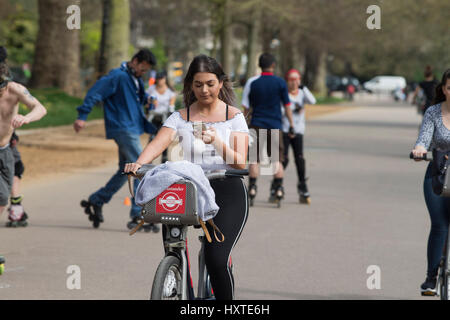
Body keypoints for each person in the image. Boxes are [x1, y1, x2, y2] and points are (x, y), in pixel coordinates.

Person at [124, 54, 249, 300]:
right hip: (187, 189)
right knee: (174, 245)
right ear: (190, 85)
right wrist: (138, 164)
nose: (204, 90)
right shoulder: (180, 116)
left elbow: (240, 161)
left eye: (210, 84)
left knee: (216, 258)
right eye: (198, 84)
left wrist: (217, 141)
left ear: (221, 83)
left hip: (227, 188)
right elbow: (157, 143)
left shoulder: (234, 116)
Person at [74, 49, 159, 231]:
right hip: (122, 127)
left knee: (125, 170)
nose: (142, 73)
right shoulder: (118, 76)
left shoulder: (135, 79)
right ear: (135, 61)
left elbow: (137, 98)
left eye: (145, 71)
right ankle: (138, 214)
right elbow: (95, 92)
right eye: (142, 69)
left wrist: (147, 101)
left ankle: (97, 200)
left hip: (131, 127)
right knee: (140, 167)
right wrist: (82, 115)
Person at [411, 68, 450, 295]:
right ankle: (432, 278)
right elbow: (424, 138)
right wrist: (419, 149)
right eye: (449, 87)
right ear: (444, 89)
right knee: (440, 224)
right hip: (437, 173)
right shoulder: (433, 112)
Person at [241, 53, 294, 206]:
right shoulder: (280, 83)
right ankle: (278, 189)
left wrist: (245, 124)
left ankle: (252, 188)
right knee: (276, 159)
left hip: (256, 123)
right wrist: (291, 124)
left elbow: (246, 107)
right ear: (273, 65)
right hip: (275, 124)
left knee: (254, 160)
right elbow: (287, 106)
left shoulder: (252, 82)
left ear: (259, 65)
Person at [0, 50, 47, 220]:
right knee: (2, 195)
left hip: (5, 151)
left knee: (3, 199)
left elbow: (41, 108)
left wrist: (25, 118)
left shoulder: (15, 90)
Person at [282, 69, 316, 204]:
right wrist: (293, 109)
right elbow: (280, 109)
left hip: (298, 131)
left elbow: (313, 101)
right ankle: (277, 183)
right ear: (287, 81)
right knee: (283, 159)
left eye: (297, 79)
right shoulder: (283, 93)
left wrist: (304, 88)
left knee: (300, 159)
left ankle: (302, 185)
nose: (294, 82)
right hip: (285, 129)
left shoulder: (302, 93)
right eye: (291, 79)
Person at [146, 71, 177, 163]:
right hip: (154, 116)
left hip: (165, 117)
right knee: (152, 138)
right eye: (158, 79)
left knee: (164, 138)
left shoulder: (170, 91)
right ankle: (148, 158)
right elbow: (147, 100)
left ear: (165, 79)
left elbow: (172, 104)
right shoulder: (151, 89)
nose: (160, 81)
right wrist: (150, 103)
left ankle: (164, 158)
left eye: (162, 79)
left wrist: (171, 115)